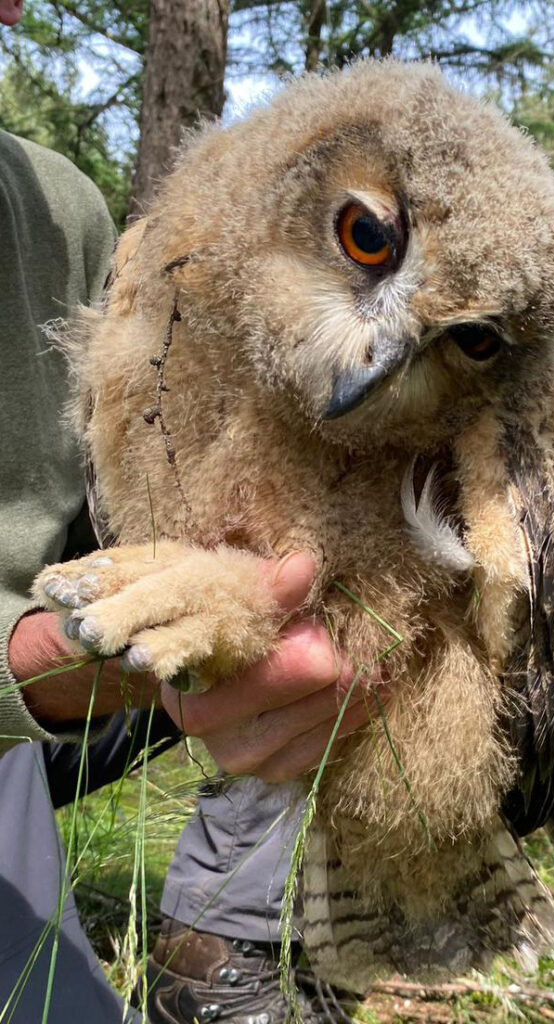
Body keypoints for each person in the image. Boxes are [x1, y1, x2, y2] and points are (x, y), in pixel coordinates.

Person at [0, 2, 369, 1020]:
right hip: (28, 687)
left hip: (52, 698)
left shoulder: (57, 208)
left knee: (334, 585)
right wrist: (42, 661)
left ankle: (230, 951)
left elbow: (101, 524)